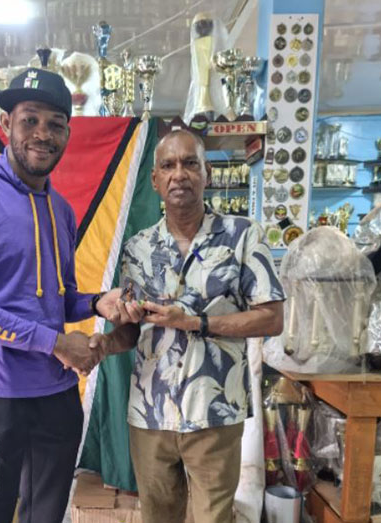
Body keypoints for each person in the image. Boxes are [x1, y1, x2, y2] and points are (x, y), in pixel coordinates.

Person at [0, 67, 120, 523]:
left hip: (57, 395)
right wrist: (58, 343)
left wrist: (97, 302)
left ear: (67, 134)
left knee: (47, 514)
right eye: (30, 120)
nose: (43, 134)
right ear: (5, 126)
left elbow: (59, 296)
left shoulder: (61, 209)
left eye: (55, 124)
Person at [90, 129, 286, 523]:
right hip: (150, 414)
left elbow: (272, 318)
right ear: (155, 180)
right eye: (168, 165)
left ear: (207, 174)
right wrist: (103, 345)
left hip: (216, 411)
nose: (179, 173)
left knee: (213, 518)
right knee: (157, 516)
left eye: (190, 163)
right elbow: (132, 331)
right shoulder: (138, 248)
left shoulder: (243, 236)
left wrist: (196, 322)